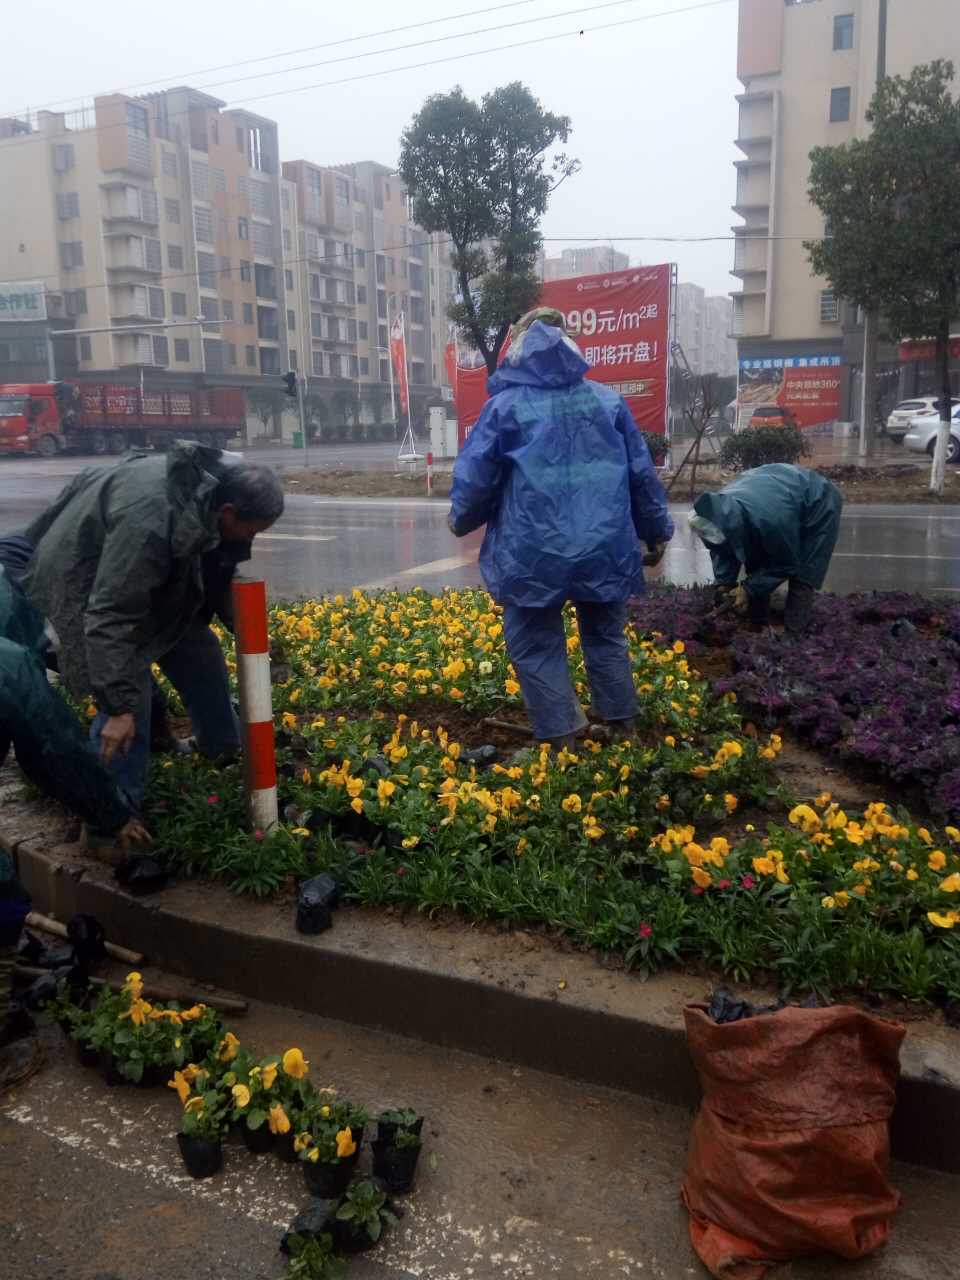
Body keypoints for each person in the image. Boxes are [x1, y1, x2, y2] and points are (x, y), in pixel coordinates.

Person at [448, 308, 674, 749]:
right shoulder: (607, 402)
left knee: (534, 642)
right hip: (604, 546)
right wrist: (655, 529)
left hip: (533, 550)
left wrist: (462, 517)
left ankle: (563, 736)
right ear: (571, 344)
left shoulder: (504, 408)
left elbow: (477, 479)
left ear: (517, 347)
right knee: (605, 635)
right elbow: (640, 474)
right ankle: (622, 727)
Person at [23, 443, 283, 815]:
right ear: (228, 512)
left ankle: (221, 751)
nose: (251, 541)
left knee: (201, 652)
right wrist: (118, 707)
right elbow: (111, 614)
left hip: (138, 584)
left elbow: (217, 569)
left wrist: (247, 630)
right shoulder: (149, 522)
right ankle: (112, 817)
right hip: (83, 588)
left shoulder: (208, 497)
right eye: (251, 531)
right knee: (131, 700)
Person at [689, 463, 842, 635]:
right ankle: (757, 625)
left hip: (818, 503)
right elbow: (724, 548)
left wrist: (748, 589)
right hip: (774, 492)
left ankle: (793, 637)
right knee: (756, 563)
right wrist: (724, 582)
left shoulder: (773, 523)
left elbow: (786, 563)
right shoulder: (718, 511)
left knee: (803, 575)